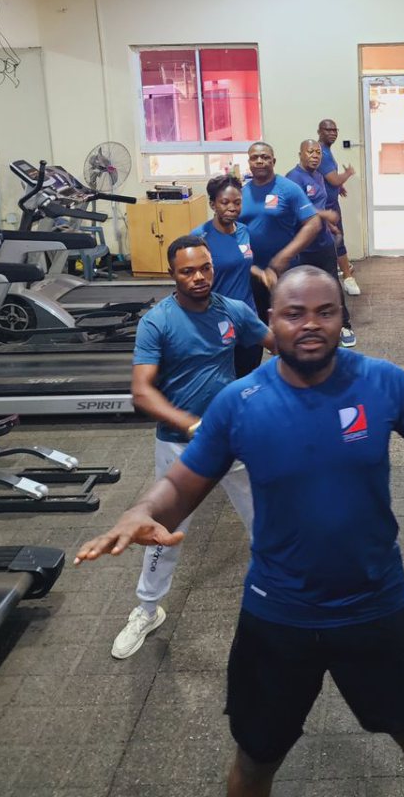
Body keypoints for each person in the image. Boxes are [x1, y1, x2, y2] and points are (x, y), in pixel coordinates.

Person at [77, 266, 404, 796]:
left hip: (374, 603)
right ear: (271, 322)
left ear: (341, 318)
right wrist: (142, 511)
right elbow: (181, 484)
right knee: (256, 757)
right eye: (294, 313)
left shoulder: (381, 381)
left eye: (325, 312)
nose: (310, 324)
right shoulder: (238, 403)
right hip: (277, 612)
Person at [110, 235, 273, 660]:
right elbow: (142, 392)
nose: (199, 277)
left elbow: (278, 345)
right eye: (188, 271)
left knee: (267, 522)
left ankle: (289, 598)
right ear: (172, 274)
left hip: (233, 440)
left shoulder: (232, 310)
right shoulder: (157, 322)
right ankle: (148, 610)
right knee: (163, 534)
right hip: (180, 448)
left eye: (205, 268)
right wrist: (192, 424)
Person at [238, 140, 322, 325]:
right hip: (252, 271)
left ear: (273, 161)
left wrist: (284, 256)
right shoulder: (241, 193)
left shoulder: (288, 188)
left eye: (265, 157)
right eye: (254, 158)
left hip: (285, 271)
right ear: (249, 162)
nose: (259, 161)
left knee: (291, 319)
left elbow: (313, 223)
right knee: (258, 323)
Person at [286, 138, 357, 348]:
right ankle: (297, 331)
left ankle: (343, 326)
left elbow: (320, 202)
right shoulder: (293, 179)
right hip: (303, 247)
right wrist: (324, 214)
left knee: (332, 284)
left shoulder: (318, 175)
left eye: (317, 152)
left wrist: (330, 225)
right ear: (300, 154)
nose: (315, 156)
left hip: (324, 242)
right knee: (301, 290)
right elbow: (297, 209)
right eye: (310, 152)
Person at [194, 173, 264, 376]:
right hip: (217, 321)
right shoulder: (199, 238)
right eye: (225, 202)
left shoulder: (244, 231)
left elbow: (239, 262)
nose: (232, 207)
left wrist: (260, 272)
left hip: (248, 317)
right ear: (213, 204)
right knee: (222, 378)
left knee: (249, 374)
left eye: (237, 202)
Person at [317, 118, 360, 295]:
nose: (332, 133)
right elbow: (334, 179)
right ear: (319, 132)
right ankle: (348, 278)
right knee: (337, 240)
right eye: (328, 130)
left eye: (335, 130)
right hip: (326, 208)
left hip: (331, 203)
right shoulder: (322, 153)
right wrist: (347, 174)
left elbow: (329, 178)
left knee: (335, 240)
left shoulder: (326, 150)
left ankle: (342, 268)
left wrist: (338, 187)